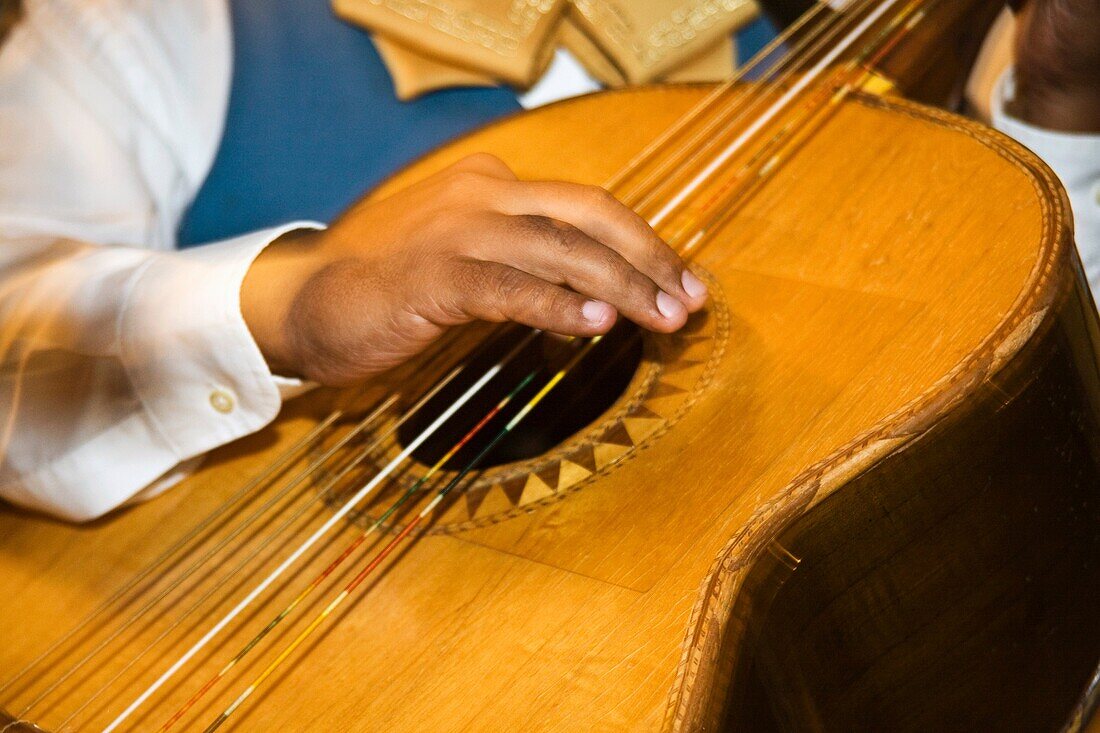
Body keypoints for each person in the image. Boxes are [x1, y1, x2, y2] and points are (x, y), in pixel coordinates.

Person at [0, 0, 1096, 521]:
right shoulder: (158, 22)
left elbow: (1017, 477)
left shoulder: (840, 39)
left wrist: (1057, 122)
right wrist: (288, 302)